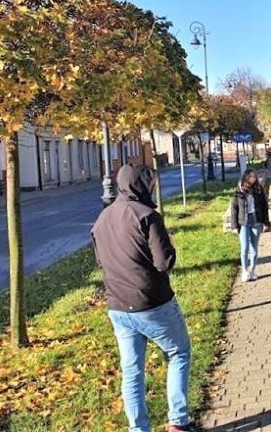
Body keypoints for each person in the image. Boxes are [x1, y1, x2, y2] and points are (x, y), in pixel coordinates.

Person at [90, 164, 196, 432]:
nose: (154, 189)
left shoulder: (101, 219)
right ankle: (178, 422)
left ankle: (139, 429)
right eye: (151, 184)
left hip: (117, 305)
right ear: (143, 185)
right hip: (152, 302)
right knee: (178, 351)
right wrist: (169, 244)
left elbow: (100, 261)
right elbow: (164, 262)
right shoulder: (148, 216)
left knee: (132, 372)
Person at [230, 168, 270, 282]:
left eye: (254, 176)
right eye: (250, 176)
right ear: (245, 178)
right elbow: (234, 208)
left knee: (254, 248)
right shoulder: (240, 191)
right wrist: (234, 226)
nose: (252, 179)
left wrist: (266, 223)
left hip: (256, 221)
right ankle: (244, 271)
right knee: (244, 247)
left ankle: (252, 270)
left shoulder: (259, 189)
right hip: (244, 222)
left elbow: (264, 207)